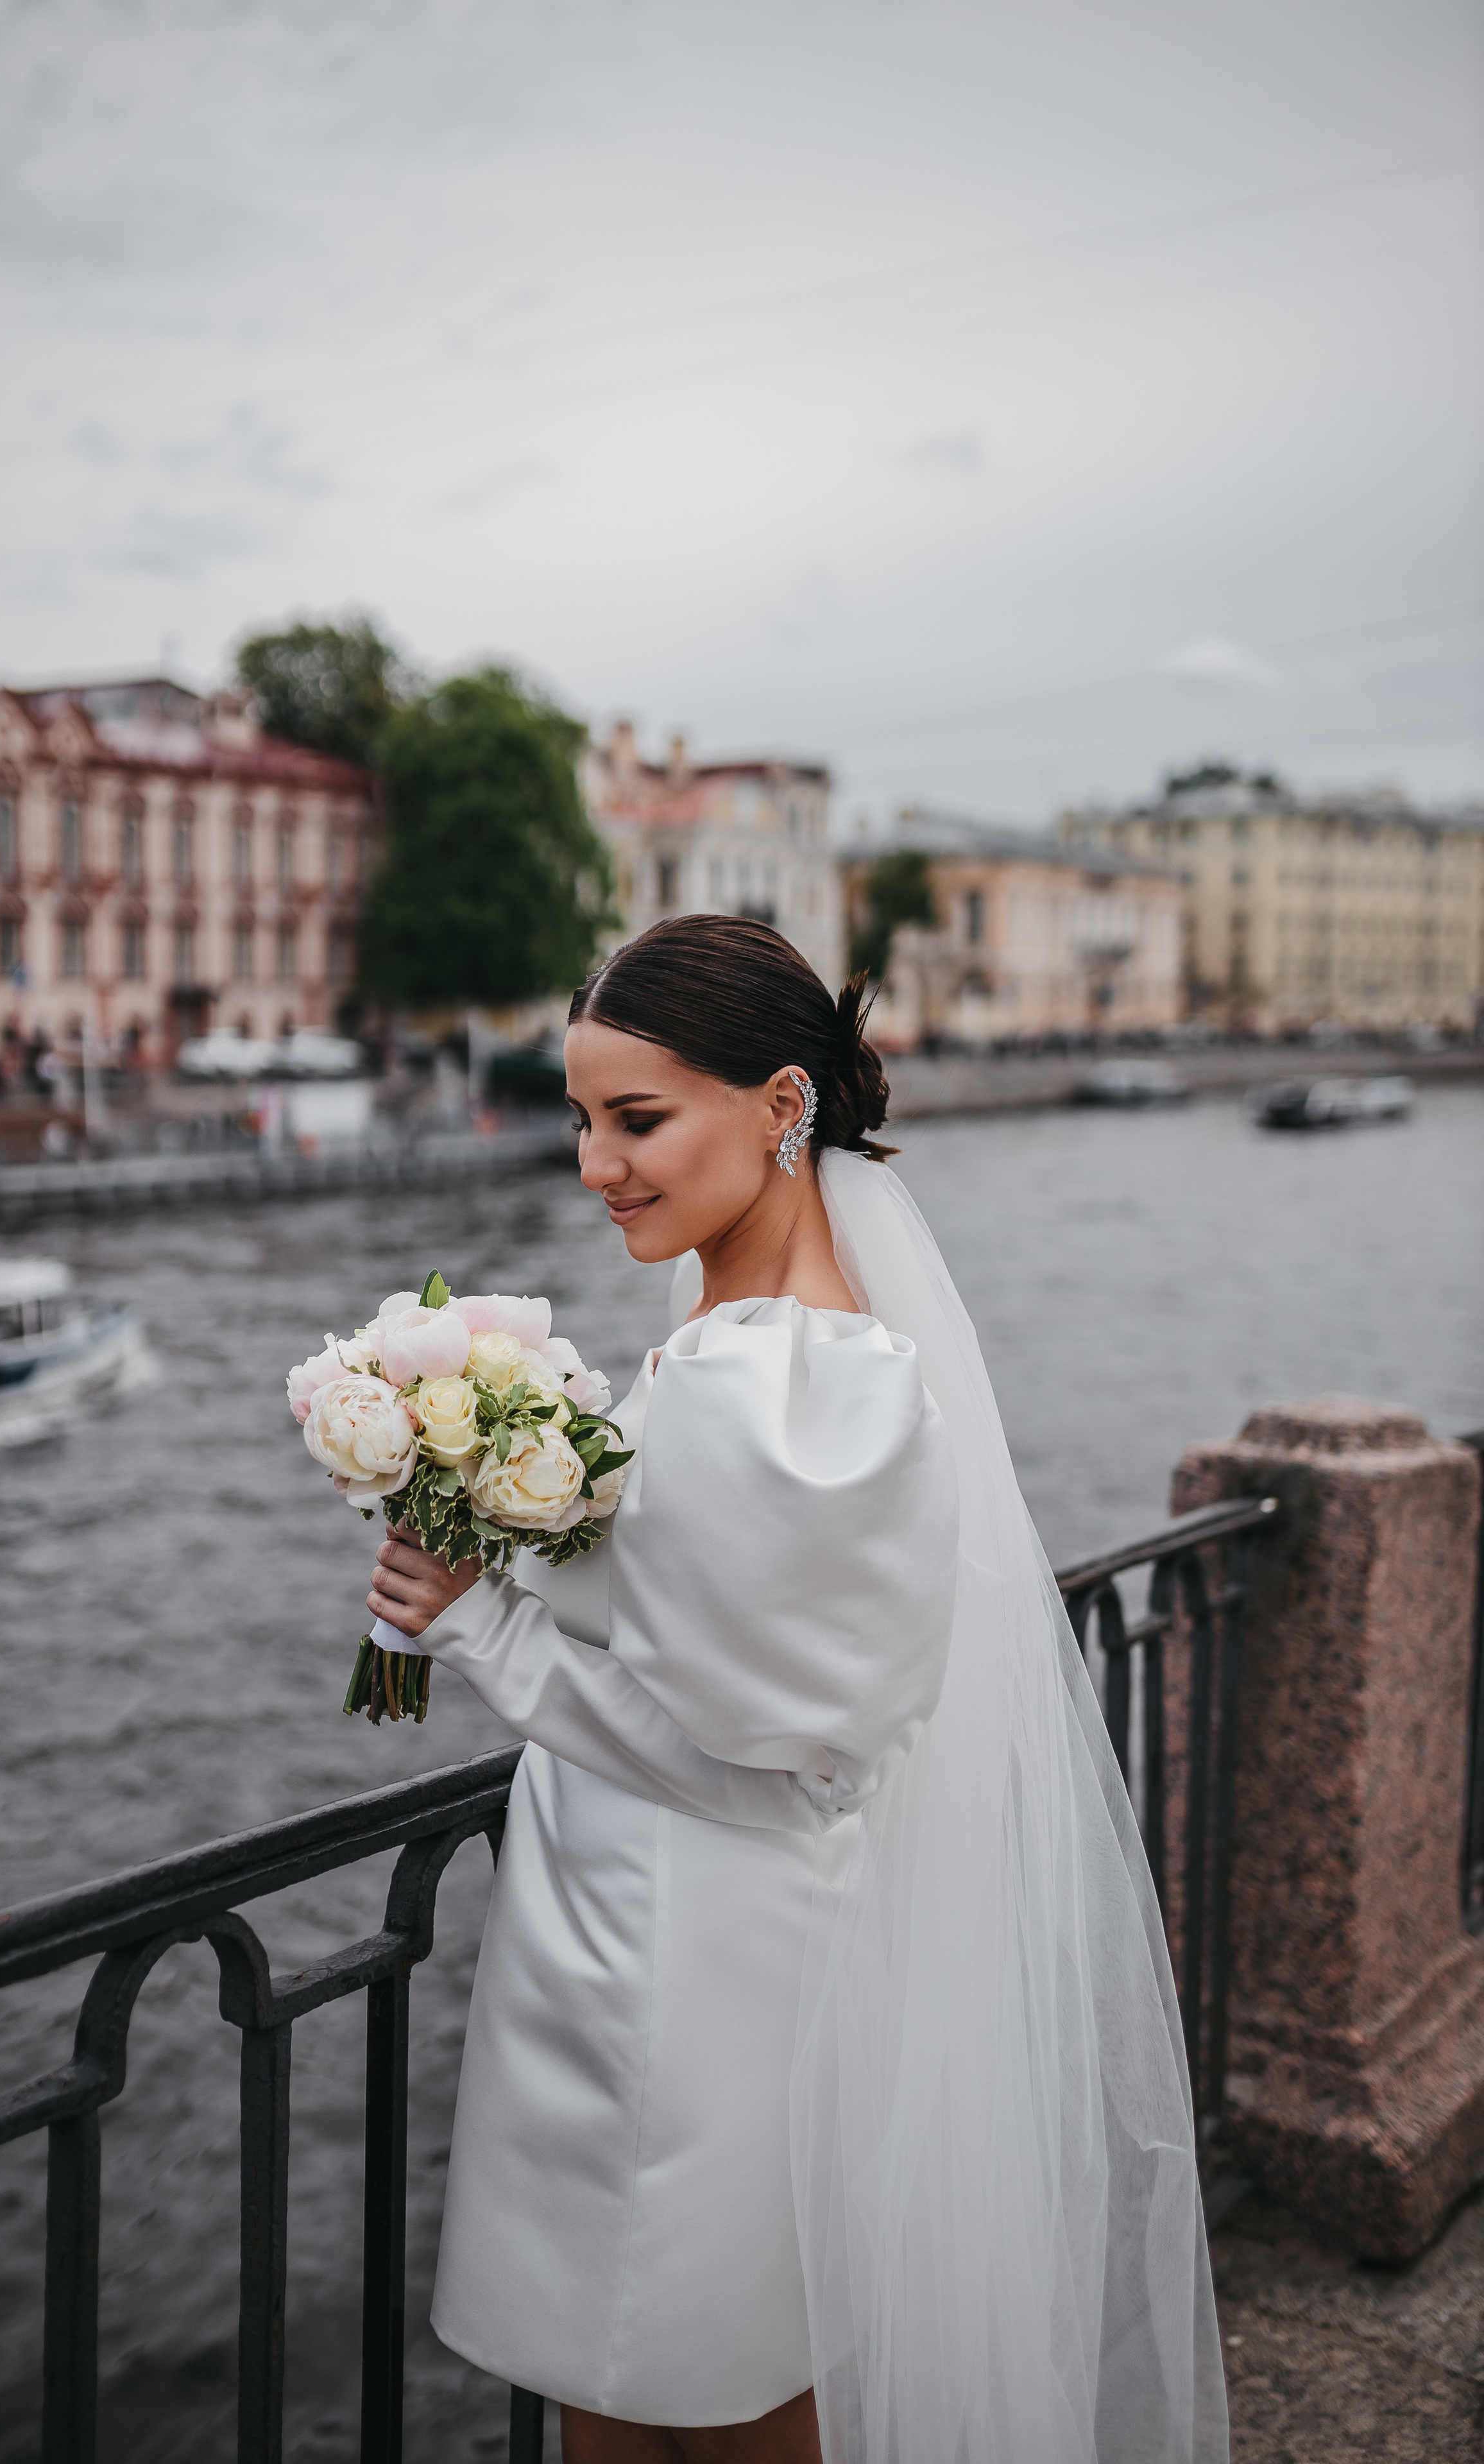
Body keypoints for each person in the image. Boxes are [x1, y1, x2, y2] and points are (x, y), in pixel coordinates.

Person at [368, 916, 1226, 2464]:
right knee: (678, 2372)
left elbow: (775, 1769)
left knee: (691, 2381)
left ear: (779, 1107)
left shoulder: (760, 1384)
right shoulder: (796, 1347)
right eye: (581, 1119)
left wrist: (480, 1627)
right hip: (693, 1951)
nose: (594, 1164)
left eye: (637, 1120)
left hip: (681, 1969)